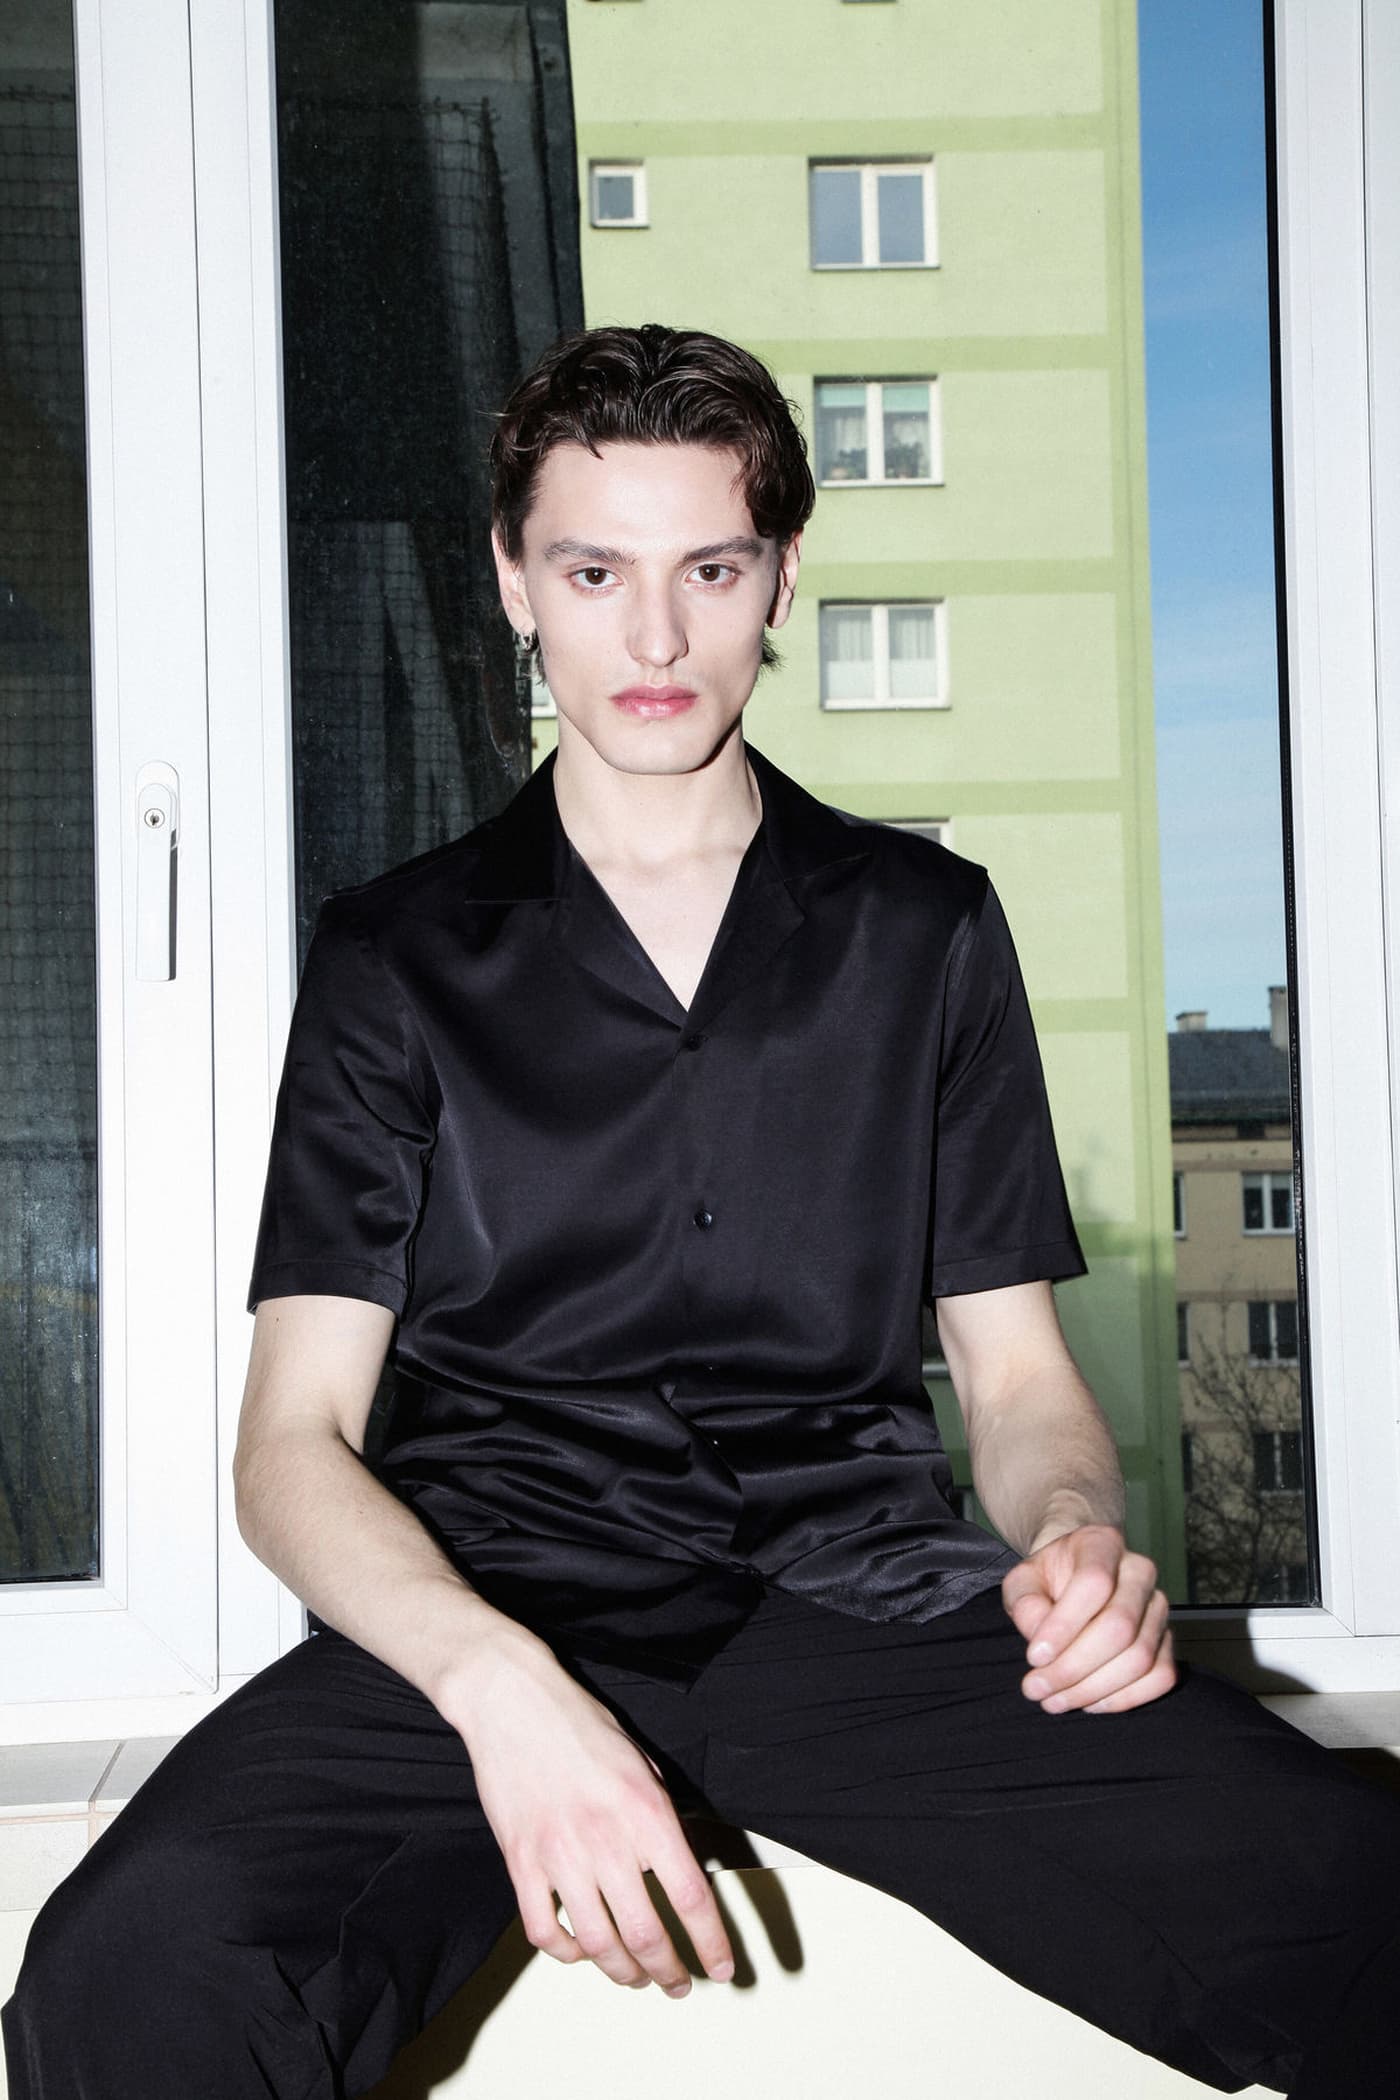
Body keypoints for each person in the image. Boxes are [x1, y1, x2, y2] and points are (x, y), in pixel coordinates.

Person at [5, 324, 1399, 2100]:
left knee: (1353, 1888)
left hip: (862, 1596)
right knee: (138, 1962)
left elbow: (1019, 1380)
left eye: (710, 571)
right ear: (516, 580)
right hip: (495, 1591)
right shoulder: (392, 954)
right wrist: (500, 1690)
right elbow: (293, 1448)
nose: (655, 640)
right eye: (596, 572)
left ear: (782, 578)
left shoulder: (927, 926)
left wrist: (1072, 1535)